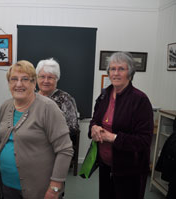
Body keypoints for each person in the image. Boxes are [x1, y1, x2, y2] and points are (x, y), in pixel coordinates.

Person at [0, 60, 73, 199]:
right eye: (14, 79)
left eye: (25, 79)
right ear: (9, 83)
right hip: (6, 185)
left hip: (38, 189)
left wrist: (55, 187)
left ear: (33, 83)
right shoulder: (5, 106)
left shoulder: (48, 107)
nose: (19, 84)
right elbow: (3, 142)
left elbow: (65, 150)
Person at [89, 52, 153, 199]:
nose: (116, 73)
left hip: (130, 171)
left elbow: (144, 141)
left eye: (121, 69)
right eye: (112, 69)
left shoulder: (140, 100)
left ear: (130, 73)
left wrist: (113, 138)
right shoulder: (104, 95)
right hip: (105, 166)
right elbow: (95, 120)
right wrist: (93, 128)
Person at [36, 58, 80, 174]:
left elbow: (73, 127)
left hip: (54, 153)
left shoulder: (65, 99)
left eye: (50, 77)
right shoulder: (31, 98)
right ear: (36, 78)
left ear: (57, 79)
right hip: (33, 152)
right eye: (42, 76)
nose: (46, 81)